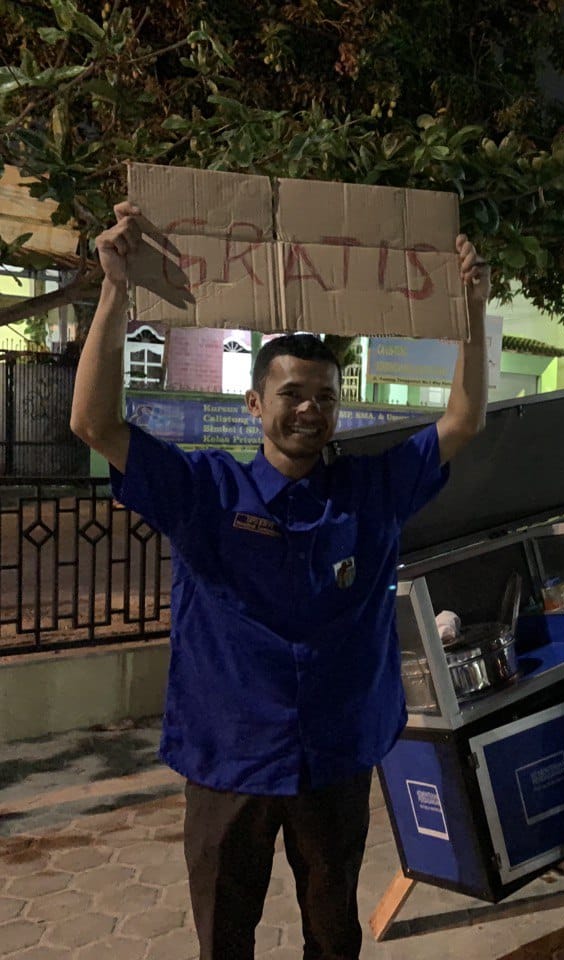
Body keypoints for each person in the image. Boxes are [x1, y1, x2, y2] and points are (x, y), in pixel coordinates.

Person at [70, 201, 490, 960]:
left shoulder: (372, 490)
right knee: (224, 938)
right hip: (230, 759)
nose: (310, 409)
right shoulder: (206, 493)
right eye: (293, 393)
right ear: (255, 403)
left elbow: (463, 418)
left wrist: (472, 314)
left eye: (326, 398)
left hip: (334, 757)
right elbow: (96, 424)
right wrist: (113, 291)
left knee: (333, 936)